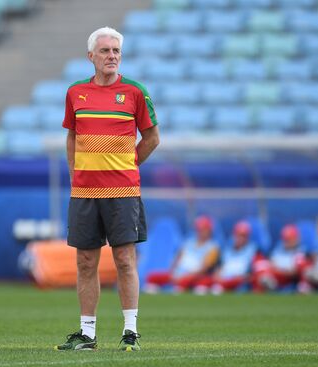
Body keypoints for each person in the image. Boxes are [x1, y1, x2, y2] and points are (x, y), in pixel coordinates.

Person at [56, 26, 160, 352]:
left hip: (123, 193)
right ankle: (88, 335)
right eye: (105, 51)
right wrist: (76, 175)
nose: (111, 56)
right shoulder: (76, 93)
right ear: (91, 57)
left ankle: (131, 331)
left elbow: (153, 138)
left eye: (116, 50)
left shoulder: (135, 92)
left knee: (125, 260)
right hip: (84, 193)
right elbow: (72, 137)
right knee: (86, 262)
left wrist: (126, 167)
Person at [145, 216, 220, 294]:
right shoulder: (188, 243)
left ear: (210, 231)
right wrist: (173, 273)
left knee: (196, 284)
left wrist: (186, 276)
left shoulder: (213, 247)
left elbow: (204, 269)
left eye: (204, 229)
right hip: (178, 275)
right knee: (152, 278)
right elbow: (177, 259)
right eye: (199, 229)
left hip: (194, 277)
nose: (201, 232)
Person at [252, 224, 310, 292]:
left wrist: (280, 270)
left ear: (296, 238)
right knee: (260, 263)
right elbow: (271, 262)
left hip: (290, 280)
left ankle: (304, 287)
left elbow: (295, 272)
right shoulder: (278, 250)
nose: (288, 242)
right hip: (275, 276)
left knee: (304, 266)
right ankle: (265, 287)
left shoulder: (301, 251)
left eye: (290, 239)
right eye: (286, 239)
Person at [209, 221, 258, 294]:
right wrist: (217, 276)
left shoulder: (254, 250)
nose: (240, 238)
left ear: (248, 237)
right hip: (223, 280)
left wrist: (242, 278)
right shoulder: (227, 250)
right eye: (238, 235)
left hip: (241, 284)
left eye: (243, 236)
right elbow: (219, 267)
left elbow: (252, 274)